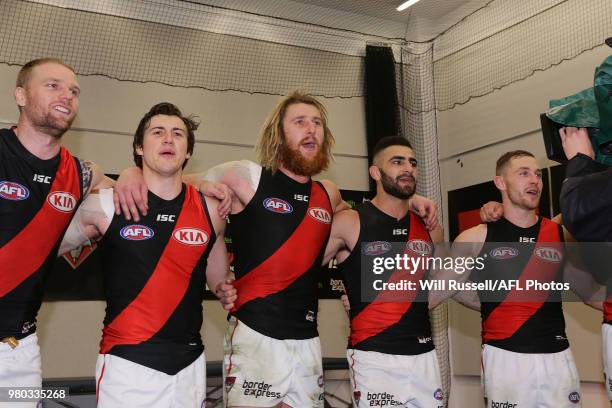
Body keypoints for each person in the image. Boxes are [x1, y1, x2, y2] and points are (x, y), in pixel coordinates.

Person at [115, 90, 439, 407]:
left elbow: (370, 220)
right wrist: (131, 173)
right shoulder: (245, 176)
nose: (311, 129)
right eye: (299, 122)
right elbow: (178, 178)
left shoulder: (329, 193)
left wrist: (410, 200)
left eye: (317, 123)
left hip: (308, 341)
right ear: (278, 134)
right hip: (256, 337)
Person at [59, 102, 235, 407]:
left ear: (188, 152)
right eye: (158, 132)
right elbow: (45, 247)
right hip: (127, 365)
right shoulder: (106, 204)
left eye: (178, 134)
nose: (168, 139)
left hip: (189, 366)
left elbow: (220, 280)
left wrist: (227, 289)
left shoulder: (210, 209)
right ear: (139, 147)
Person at [0, 58, 114, 406]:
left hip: (18, 351)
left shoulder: (80, 173)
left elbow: (141, 192)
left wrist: (140, 175)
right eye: (53, 85)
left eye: (74, 91)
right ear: (20, 95)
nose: (67, 95)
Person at [455, 150, 606, 408]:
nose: (534, 180)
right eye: (523, 173)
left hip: (557, 357)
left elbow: (589, 291)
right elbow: (445, 287)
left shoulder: (558, 233)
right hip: (505, 357)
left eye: (538, 174)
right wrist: (497, 303)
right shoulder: (475, 237)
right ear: (500, 182)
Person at [322, 136, 447, 408]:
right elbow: (303, 265)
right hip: (374, 358)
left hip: (423, 354)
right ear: (375, 173)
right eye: (397, 161)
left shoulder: (431, 228)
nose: (408, 168)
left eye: (412, 163)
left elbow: (436, 284)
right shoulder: (350, 221)